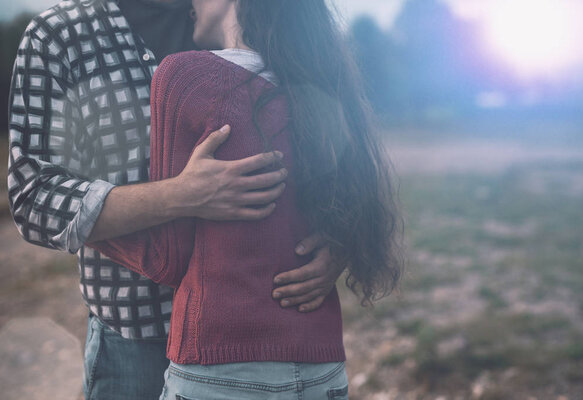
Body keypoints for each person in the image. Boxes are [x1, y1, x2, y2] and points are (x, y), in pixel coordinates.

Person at [6, 0, 346, 399]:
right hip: (133, 344)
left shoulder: (244, 17)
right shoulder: (61, 34)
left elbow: (328, 139)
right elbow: (32, 197)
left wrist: (341, 239)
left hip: (254, 344)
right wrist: (179, 196)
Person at [88, 0, 403, 399]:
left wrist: (89, 223)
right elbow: (348, 215)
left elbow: (167, 259)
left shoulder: (186, 75)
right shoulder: (318, 84)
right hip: (323, 370)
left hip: (221, 367)